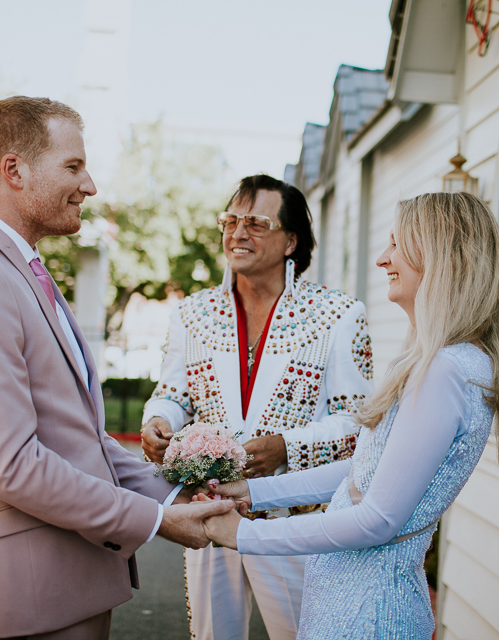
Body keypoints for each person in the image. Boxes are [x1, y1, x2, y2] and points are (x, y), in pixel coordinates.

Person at [0, 96, 232, 640]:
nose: (90, 185)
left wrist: (176, 496)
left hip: (68, 585)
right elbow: (10, 463)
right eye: (73, 166)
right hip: (24, 597)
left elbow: (79, 438)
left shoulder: (23, 269)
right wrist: (154, 521)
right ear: (14, 169)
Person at [199, 192, 499, 639]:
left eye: (396, 244)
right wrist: (254, 491)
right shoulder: (443, 361)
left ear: (440, 255)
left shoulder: (446, 369)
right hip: (352, 603)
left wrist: (241, 536)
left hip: (370, 615)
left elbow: (376, 520)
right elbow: (364, 471)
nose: (382, 259)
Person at [141, 174, 374, 640]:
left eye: (257, 222)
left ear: (291, 240)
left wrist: (287, 447)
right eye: (231, 220)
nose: (238, 233)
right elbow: (174, 392)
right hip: (208, 508)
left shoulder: (338, 314)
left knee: (301, 634)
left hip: (297, 519)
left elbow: (358, 425)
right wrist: (159, 419)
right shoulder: (192, 313)